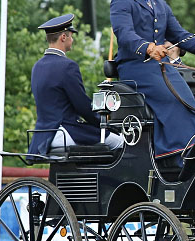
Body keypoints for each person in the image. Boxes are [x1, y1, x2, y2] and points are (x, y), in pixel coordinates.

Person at [109, 0, 195, 163]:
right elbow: (124, 33)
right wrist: (148, 48)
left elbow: (179, 35)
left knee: (188, 101)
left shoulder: (160, 6)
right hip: (135, 67)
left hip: (161, 68)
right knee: (171, 100)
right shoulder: (121, 2)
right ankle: (177, 154)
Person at [27, 13, 124, 157]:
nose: (72, 40)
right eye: (71, 36)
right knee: (120, 142)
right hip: (65, 132)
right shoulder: (67, 66)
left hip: (42, 137)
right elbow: (81, 105)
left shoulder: (37, 66)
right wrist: (104, 124)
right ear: (63, 37)